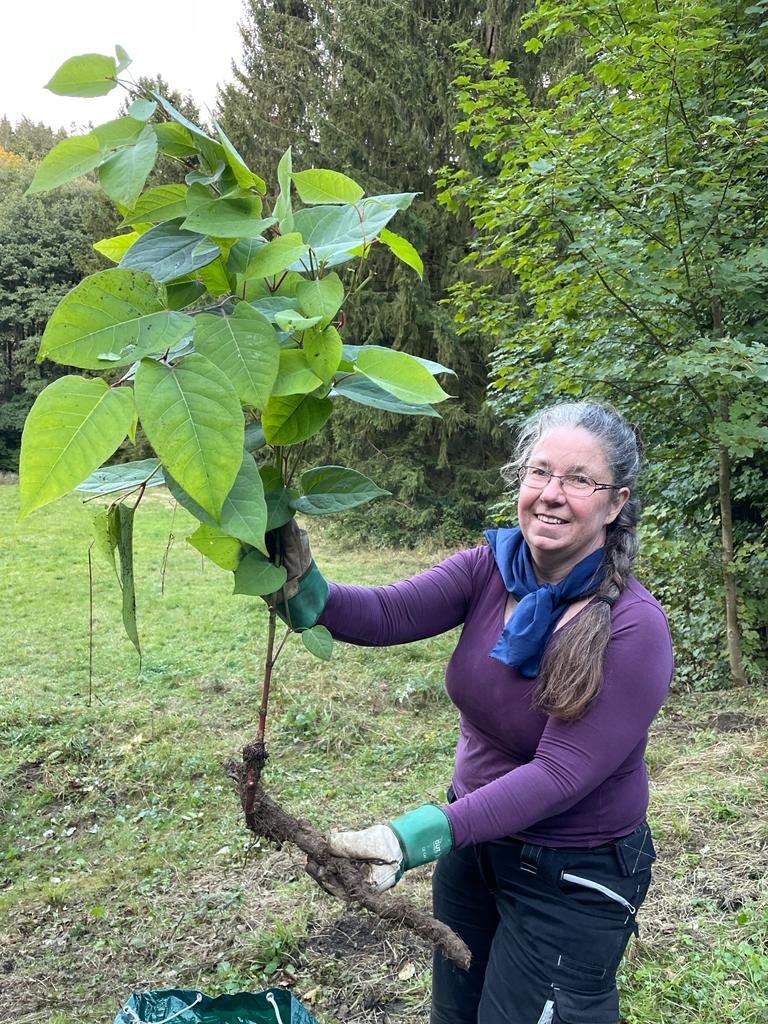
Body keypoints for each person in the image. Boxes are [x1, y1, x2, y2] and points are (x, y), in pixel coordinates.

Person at [270, 401, 674, 1024]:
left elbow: (560, 774)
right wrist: (307, 592)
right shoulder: (490, 567)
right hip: (475, 845)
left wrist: (410, 838)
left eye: (578, 480)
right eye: (539, 473)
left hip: (570, 872)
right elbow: (387, 612)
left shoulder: (633, 629)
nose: (551, 494)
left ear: (616, 504)